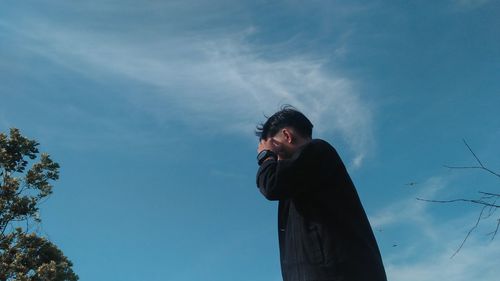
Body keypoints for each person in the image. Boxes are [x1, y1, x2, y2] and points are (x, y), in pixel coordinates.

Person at [255, 106, 387, 281]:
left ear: (287, 136)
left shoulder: (318, 150)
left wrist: (265, 156)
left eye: (275, 149)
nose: (276, 158)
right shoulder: (299, 179)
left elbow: (272, 186)